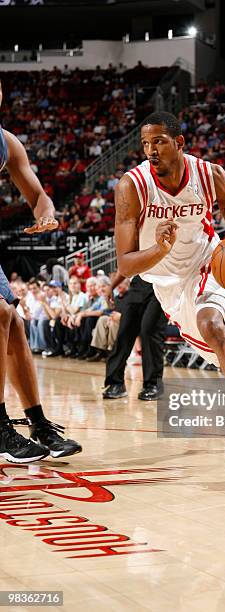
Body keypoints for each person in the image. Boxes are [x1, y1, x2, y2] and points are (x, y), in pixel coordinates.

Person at [114, 111, 225, 469]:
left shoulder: (209, 174)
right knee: (218, 352)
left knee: (214, 325)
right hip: (166, 283)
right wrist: (158, 251)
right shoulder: (131, 187)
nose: (151, 150)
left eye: (159, 141)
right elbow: (125, 264)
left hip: (208, 263)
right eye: (145, 144)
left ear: (179, 143)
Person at [0, 81, 81, 462]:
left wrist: (46, 214)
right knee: (0, 314)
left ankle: (38, 423)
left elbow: (37, 195)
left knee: (14, 323)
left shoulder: (6, 142)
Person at [103, 274, 167, 401]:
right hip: (139, 283)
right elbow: (125, 263)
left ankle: (153, 384)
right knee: (124, 332)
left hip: (162, 284)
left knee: (149, 331)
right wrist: (111, 286)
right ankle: (116, 383)